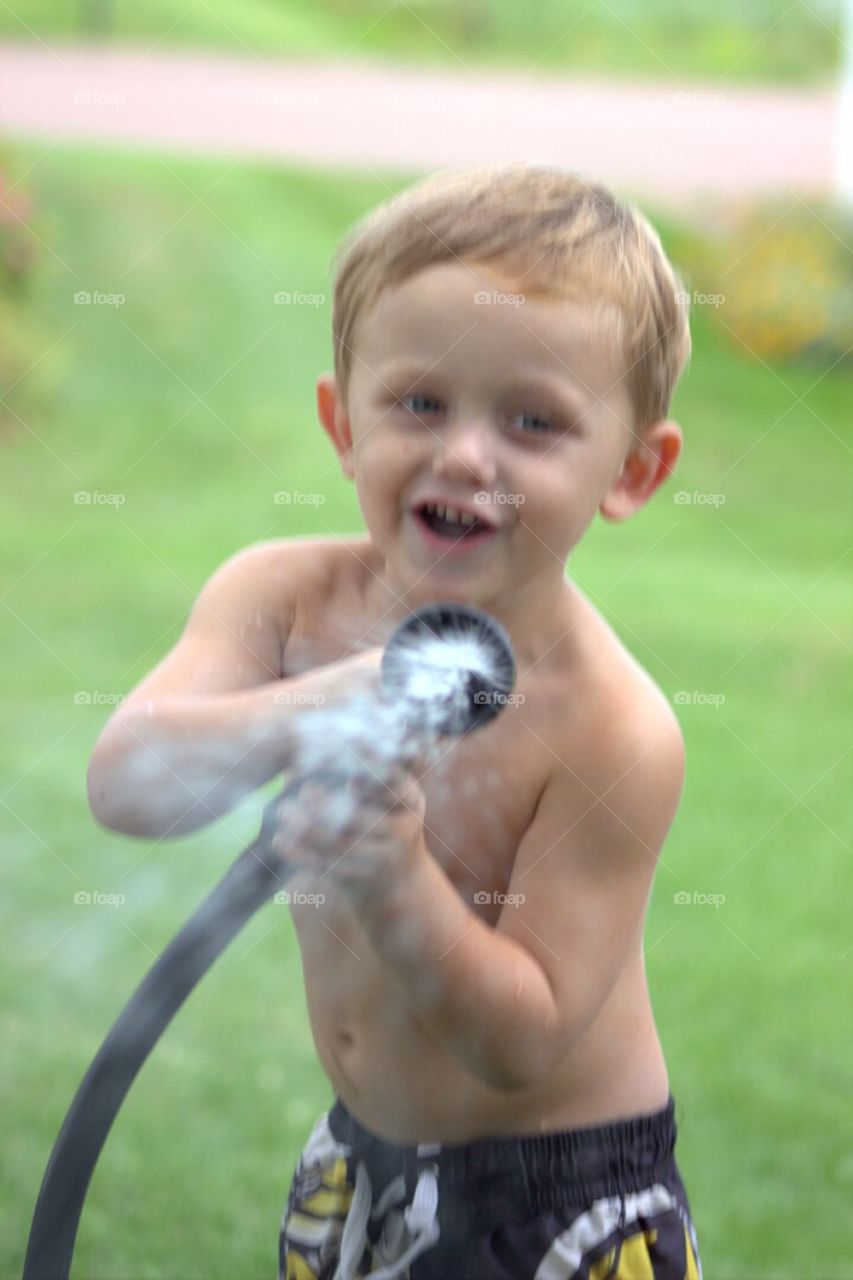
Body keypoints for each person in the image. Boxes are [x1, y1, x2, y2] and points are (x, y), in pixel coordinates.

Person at [87, 163, 704, 1279]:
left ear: (631, 470)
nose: (465, 453)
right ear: (342, 422)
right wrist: (322, 699)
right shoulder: (280, 599)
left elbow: (519, 1039)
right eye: (420, 402)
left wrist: (392, 874)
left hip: (551, 1196)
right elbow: (127, 781)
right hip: (361, 1157)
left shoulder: (613, 726)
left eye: (532, 420)